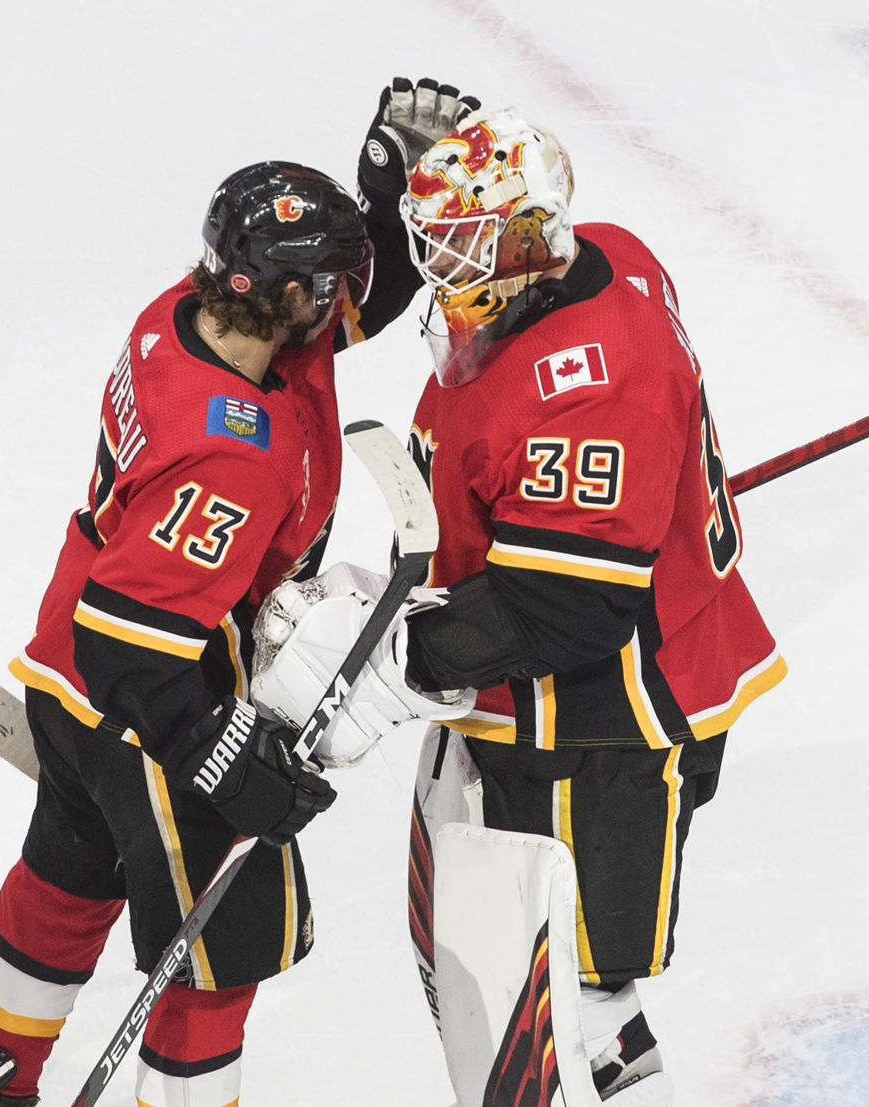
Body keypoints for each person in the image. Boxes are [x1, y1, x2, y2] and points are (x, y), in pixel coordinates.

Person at [0, 79, 479, 1107]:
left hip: (66, 682)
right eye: (325, 288)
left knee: (62, 886)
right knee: (219, 955)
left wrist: (382, 193)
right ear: (286, 298)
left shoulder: (194, 312)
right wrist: (221, 752)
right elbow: (129, 641)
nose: (339, 307)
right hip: (148, 702)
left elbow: (343, 302)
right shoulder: (234, 459)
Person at [251, 101, 788, 1105]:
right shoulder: (596, 260)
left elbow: (569, 611)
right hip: (545, 700)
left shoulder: (592, 383)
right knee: (523, 993)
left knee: (574, 1014)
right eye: (439, 244)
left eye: (465, 248)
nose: (443, 271)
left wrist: (397, 663)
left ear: (533, 242)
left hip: (604, 725)